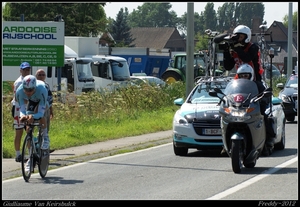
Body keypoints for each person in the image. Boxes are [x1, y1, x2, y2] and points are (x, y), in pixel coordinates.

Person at [15, 75, 50, 170]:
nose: (28, 92)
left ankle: (45, 136)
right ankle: (31, 155)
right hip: (32, 100)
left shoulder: (41, 89)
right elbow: (22, 110)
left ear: (34, 87)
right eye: (26, 90)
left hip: (43, 98)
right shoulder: (20, 91)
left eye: (30, 90)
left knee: (41, 115)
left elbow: (40, 112)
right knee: (28, 120)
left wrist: (33, 116)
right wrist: (24, 116)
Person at [12, 62, 32, 162]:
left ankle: (30, 153)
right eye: (24, 69)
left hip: (28, 108)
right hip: (18, 108)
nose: (26, 71)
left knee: (29, 131)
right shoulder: (19, 82)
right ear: (20, 70)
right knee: (19, 132)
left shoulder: (31, 80)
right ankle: (18, 154)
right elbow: (17, 98)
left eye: (28, 69)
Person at [35, 69, 55, 153]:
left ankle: (44, 146)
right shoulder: (34, 84)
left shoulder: (46, 85)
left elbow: (49, 98)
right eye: (39, 75)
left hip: (46, 108)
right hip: (37, 109)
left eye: (43, 75)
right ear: (36, 76)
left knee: (46, 128)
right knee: (40, 128)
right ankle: (38, 146)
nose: (41, 76)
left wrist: (51, 110)